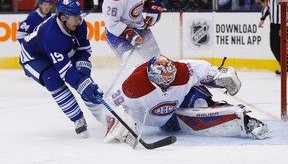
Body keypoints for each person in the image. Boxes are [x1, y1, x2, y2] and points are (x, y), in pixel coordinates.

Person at [90, 55, 271, 144]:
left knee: (199, 99)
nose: (170, 82)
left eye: (172, 77)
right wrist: (117, 121)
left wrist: (217, 74)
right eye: (165, 80)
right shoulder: (134, 85)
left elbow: (201, 68)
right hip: (158, 122)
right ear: (154, 78)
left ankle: (247, 122)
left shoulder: (181, 71)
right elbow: (110, 104)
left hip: (176, 108)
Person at [19, 0, 103, 137]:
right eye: (75, 17)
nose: (79, 20)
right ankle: (77, 118)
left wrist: (85, 74)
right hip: (34, 57)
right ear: (63, 17)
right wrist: (81, 83)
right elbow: (66, 72)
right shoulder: (51, 35)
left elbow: (83, 50)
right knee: (53, 79)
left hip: (55, 51)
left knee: (83, 78)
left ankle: (103, 114)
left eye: (79, 15)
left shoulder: (80, 24)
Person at [259, 0, 288, 75]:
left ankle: (285, 66)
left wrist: (285, 26)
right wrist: (262, 18)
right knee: (274, 47)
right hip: (274, 24)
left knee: (285, 48)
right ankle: (284, 66)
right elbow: (267, 6)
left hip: (285, 24)